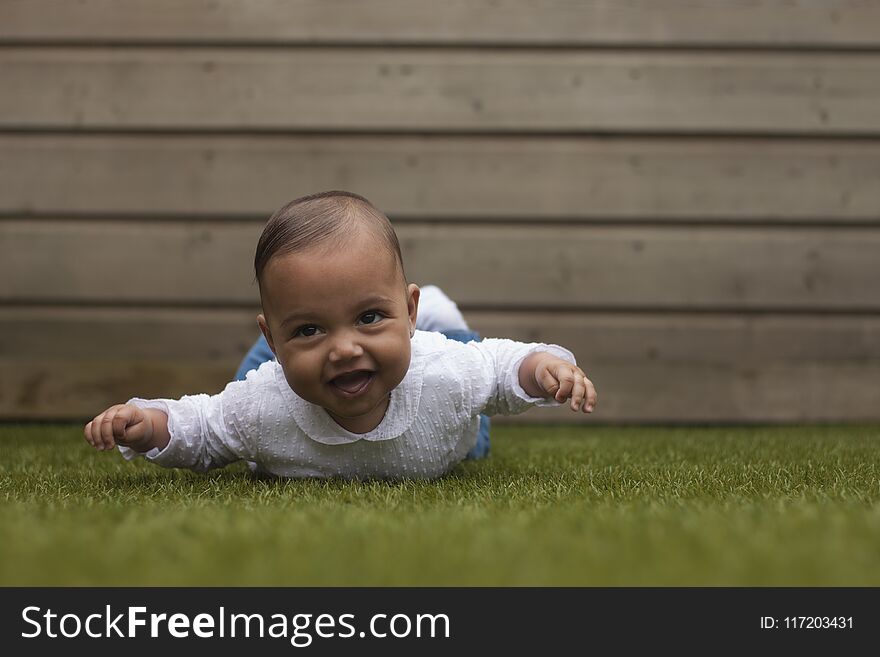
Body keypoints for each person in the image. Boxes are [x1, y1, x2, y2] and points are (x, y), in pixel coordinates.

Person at [83, 191, 597, 480]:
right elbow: (204, 427)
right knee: (248, 382)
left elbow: (500, 369)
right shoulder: (263, 407)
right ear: (275, 335)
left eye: (370, 317)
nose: (345, 347)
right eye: (310, 328)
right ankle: (307, 339)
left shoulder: (445, 373)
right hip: (284, 378)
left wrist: (542, 369)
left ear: (407, 310)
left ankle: (437, 316)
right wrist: (148, 423)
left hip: (439, 426)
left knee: (476, 427)